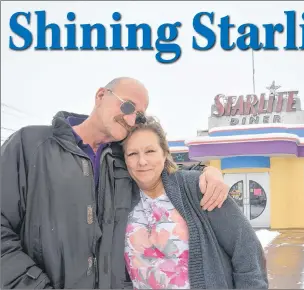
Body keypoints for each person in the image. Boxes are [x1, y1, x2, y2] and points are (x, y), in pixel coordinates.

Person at [0, 77, 229, 289]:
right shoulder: (31, 145)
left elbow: (166, 173)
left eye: (138, 116)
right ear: (101, 95)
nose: (130, 120)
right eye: (128, 106)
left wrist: (205, 171)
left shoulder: (126, 159)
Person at [119, 116, 268, 289]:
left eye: (150, 151)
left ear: (165, 153)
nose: (142, 161)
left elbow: (245, 247)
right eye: (132, 154)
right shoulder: (119, 200)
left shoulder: (198, 187)